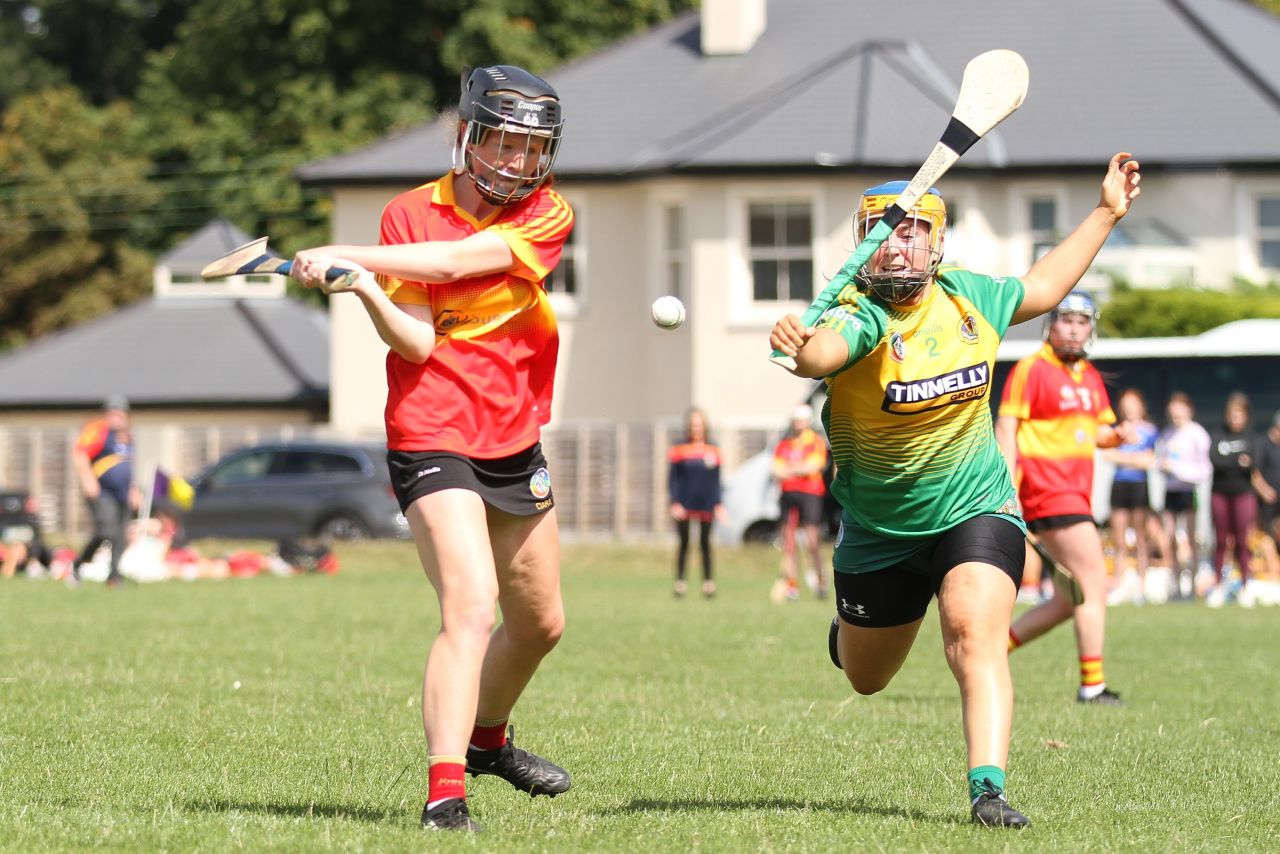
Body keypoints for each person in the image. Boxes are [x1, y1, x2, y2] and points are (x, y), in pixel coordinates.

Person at [770, 153, 1141, 828]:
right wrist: (801, 348)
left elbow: (1043, 286)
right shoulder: (860, 315)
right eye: (886, 229)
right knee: (866, 678)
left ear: (935, 243)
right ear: (865, 245)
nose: (900, 240)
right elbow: (825, 353)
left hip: (976, 507)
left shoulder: (971, 298)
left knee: (975, 634)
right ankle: (849, 631)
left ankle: (988, 789)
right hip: (880, 529)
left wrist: (1107, 211)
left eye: (914, 229)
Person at [288, 65, 572, 833]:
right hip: (432, 433)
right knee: (472, 608)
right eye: (504, 143)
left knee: (542, 623)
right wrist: (365, 290)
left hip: (513, 436)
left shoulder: (549, 214)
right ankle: (446, 796)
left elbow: (454, 266)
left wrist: (348, 256)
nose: (516, 162)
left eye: (531, 148)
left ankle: (489, 741)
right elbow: (415, 341)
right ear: (466, 136)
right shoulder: (408, 213)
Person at [997, 291, 1135, 706]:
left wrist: (1117, 435)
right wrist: (1006, 487)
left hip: (1076, 494)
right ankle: (1092, 687)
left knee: (1066, 599)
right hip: (1048, 491)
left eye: (1082, 322)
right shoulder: (1031, 368)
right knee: (1093, 585)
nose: (1074, 329)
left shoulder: (1090, 377)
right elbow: (1006, 429)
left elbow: (1096, 432)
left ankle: (987, 652)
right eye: (1066, 320)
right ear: (1051, 324)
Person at [71, 395, 139, 587]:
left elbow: (128, 466)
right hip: (103, 493)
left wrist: (134, 490)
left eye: (119, 413)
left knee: (120, 535)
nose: (116, 417)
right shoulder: (99, 431)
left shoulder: (127, 437)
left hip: (122, 494)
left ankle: (114, 577)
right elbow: (80, 453)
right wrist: (88, 480)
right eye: (112, 413)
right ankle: (78, 564)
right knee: (106, 531)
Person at [1101, 389, 1159, 605]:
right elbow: (1107, 455)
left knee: (1141, 538)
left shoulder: (1150, 431)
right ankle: (1118, 583)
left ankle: (1141, 587)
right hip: (1119, 485)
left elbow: (1149, 460)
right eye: (1126, 404)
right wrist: (1133, 458)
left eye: (1133, 404)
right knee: (1119, 539)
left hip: (1139, 486)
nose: (1130, 409)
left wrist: (1123, 457)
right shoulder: (1117, 431)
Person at [1155, 392, 1212, 598]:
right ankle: (1176, 584)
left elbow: (1203, 470)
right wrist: (1162, 466)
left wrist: (1178, 470)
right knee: (1170, 538)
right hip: (1171, 491)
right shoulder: (1167, 434)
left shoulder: (1197, 434)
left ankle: (1194, 585)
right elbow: (1159, 459)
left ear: (1189, 410)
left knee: (1191, 537)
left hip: (1188, 491)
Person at [771, 404, 829, 600]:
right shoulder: (784, 444)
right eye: (795, 420)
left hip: (810, 494)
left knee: (812, 541)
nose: (798, 424)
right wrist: (799, 468)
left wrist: (791, 469)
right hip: (788, 494)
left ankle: (821, 582)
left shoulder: (815, 441)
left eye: (801, 420)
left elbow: (814, 466)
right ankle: (792, 584)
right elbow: (776, 470)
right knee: (789, 542)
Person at [1206, 392, 1258, 605]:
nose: (1235, 418)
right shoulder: (1218, 434)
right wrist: (1238, 461)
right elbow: (1215, 460)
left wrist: (1231, 461)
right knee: (1220, 540)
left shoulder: (1251, 437)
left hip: (1243, 493)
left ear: (1245, 416)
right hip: (1220, 492)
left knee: (1243, 540)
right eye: (1232, 414)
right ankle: (1218, 584)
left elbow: (1252, 463)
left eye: (1239, 414)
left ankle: (1245, 584)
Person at [667, 407, 724, 598]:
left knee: (705, 544)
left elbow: (717, 480)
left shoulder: (713, 448)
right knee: (684, 543)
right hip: (685, 503)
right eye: (693, 425)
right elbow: (673, 479)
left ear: (704, 426)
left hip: (706, 503)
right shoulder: (679, 448)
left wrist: (718, 503)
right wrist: (674, 502)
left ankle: (708, 583)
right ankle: (680, 583)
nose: (696, 428)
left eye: (699, 424)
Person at [1252, 411, 1280, 578]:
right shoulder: (1262, 444)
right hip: (1267, 502)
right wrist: (1264, 490)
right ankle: (1272, 572)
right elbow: (1254, 473)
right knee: (1266, 537)